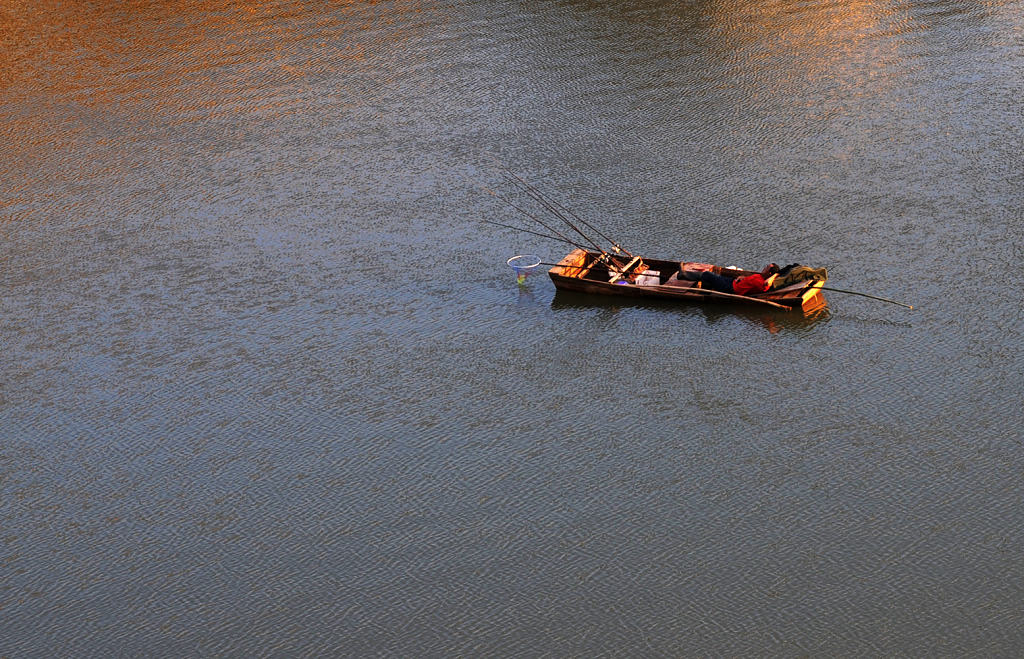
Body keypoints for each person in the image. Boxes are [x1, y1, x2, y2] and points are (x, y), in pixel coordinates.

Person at [699, 263, 779, 296]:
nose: (764, 268)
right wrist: (742, 278)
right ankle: (709, 285)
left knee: (706, 274)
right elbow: (749, 281)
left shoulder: (763, 283)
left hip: (730, 289)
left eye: (766, 268)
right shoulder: (761, 276)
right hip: (733, 282)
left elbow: (766, 284)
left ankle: (704, 293)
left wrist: (774, 275)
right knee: (715, 276)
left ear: (769, 274)